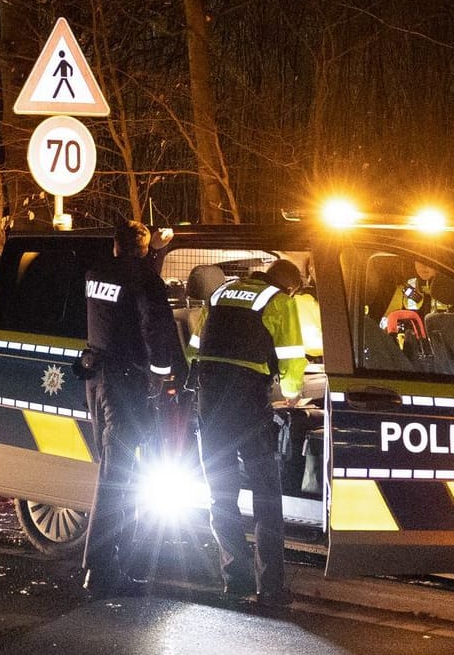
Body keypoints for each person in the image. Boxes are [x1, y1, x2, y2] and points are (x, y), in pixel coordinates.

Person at [188, 257, 302, 608]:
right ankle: (270, 589)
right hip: (248, 401)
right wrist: (293, 394)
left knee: (221, 495)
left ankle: (234, 582)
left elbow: (194, 348)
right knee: (267, 496)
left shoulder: (220, 293)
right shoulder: (279, 300)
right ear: (290, 286)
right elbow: (293, 359)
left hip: (209, 400)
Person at [79, 220, 181, 598]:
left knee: (116, 471)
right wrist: (162, 375)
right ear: (141, 250)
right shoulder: (146, 282)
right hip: (127, 384)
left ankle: (118, 565)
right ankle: (101, 570)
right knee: (117, 477)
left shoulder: (96, 272)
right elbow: (155, 327)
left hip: (98, 378)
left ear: (115, 245)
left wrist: (152, 254)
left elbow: (126, 288)